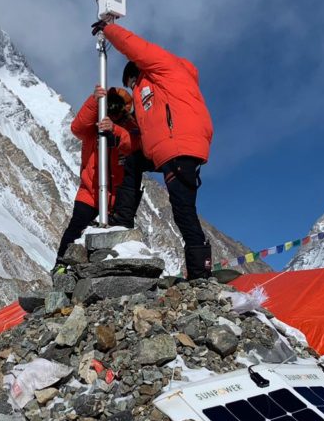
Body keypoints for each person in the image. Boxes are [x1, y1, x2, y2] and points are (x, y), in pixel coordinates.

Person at [92, 18, 214, 280]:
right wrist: (114, 129)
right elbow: (140, 142)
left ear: (138, 71)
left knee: (183, 209)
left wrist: (109, 29)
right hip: (166, 149)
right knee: (133, 160)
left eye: (132, 81)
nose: (132, 87)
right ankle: (122, 220)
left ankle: (200, 272)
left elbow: (136, 47)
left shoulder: (164, 68)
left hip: (179, 145)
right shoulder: (152, 99)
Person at [53, 84, 139, 275]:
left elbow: (134, 145)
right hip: (90, 190)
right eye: (110, 104)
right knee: (75, 228)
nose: (114, 109)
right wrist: (94, 101)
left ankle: (115, 272)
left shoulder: (126, 128)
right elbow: (77, 127)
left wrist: (115, 129)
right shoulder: (92, 127)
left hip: (116, 195)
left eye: (118, 106)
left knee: (117, 236)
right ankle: (61, 264)